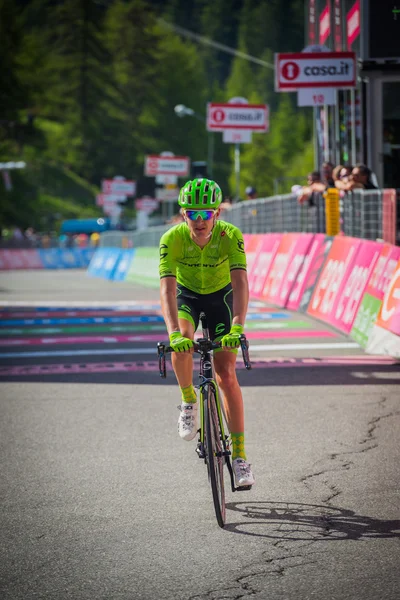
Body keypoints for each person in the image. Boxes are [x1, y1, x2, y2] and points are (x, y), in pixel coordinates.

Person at [159, 178, 255, 487]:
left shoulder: (230, 236)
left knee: (226, 375)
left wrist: (238, 326)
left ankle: (239, 458)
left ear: (216, 214)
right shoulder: (171, 239)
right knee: (181, 343)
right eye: (193, 214)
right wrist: (174, 333)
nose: (200, 221)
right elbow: (167, 289)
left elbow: (240, 283)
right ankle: (189, 400)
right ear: (183, 214)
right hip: (187, 296)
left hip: (221, 299)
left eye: (206, 214)